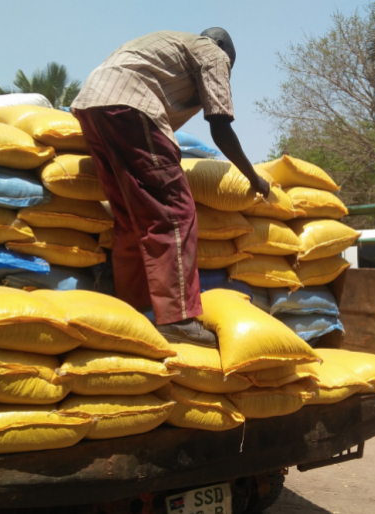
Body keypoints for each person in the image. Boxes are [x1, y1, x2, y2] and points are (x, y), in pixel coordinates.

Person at [71, 29, 270, 346]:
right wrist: (252, 176)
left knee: (131, 219)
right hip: (130, 106)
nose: (227, 70)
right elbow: (219, 125)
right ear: (224, 48)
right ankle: (177, 319)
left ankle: (132, 311)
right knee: (174, 213)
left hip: (91, 106)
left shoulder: (167, 47)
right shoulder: (213, 51)